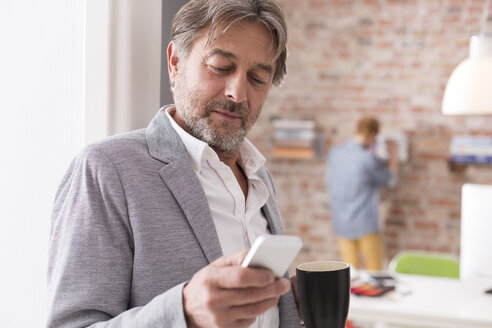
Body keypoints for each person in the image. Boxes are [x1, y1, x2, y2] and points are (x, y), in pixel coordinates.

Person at [46, 0, 301, 327]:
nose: (237, 92)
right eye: (221, 66)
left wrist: (285, 308)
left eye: (257, 78)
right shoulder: (106, 169)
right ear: (175, 62)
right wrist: (184, 311)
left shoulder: (258, 176)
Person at [326, 117, 398, 271]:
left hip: (341, 223)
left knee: (350, 273)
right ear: (373, 136)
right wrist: (394, 154)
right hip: (365, 224)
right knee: (375, 273)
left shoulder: (335, 153)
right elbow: (390, 180)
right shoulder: (367, 159)